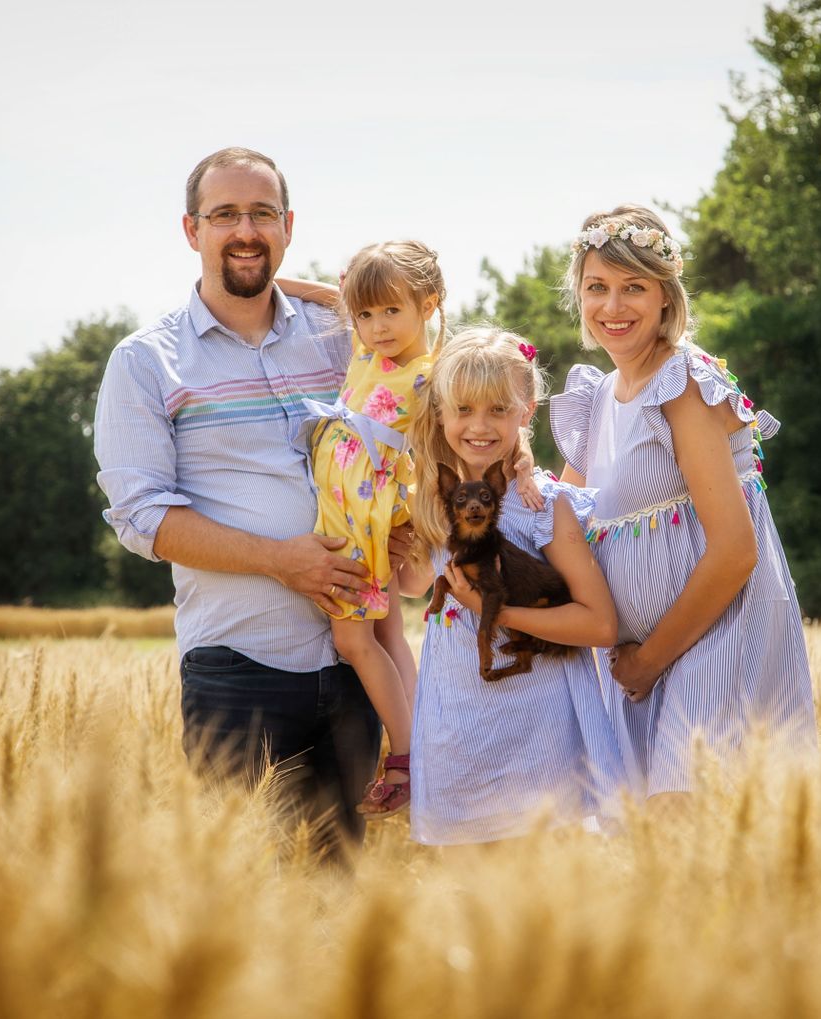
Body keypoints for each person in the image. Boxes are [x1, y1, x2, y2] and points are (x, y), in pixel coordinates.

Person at [94, 147, 398, 851]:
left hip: (358, 662)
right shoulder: (146, 361)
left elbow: (424, 343)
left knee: (344, 890)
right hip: (238, 668)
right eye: (224, 215)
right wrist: (280, 560)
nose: (245, 231)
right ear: (190, 229)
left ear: (289, 226)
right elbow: (143, 517)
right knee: (244, 892)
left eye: (262, 214)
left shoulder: (339, 338)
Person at [548, 205, 817, 811]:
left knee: (683, 815)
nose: (612, 306)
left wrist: (649, 661)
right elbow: (557, 527)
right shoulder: (596, 399)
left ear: (666, 296)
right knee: (644, 839)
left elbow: (735, 551)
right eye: (597, 287)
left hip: (716, 633)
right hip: (634, 658)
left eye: (633, 287)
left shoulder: (683, 385)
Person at [396, 327, 625, 845]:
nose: (479, 426)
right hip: (456, 730)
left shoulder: (542, 506)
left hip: (537, 734)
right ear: (440, 414)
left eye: (498, 410)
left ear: (526, 411)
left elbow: (599, 624)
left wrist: (493, 610)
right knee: (468, 890)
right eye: (464, 410)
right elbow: (412, 584)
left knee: (543, 887)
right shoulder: (435, 504)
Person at [298, 240, 445, 820]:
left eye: (391, 311)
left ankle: (405, 757)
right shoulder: (368, 350)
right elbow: (333, 297)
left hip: (363, 517)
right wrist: (276, 286)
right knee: (385, 635)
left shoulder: (429, 376)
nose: (378, 325)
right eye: (365, 314)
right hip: (344, 508)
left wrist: (419, 522)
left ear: (428, 305)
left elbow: (445, 451)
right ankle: (418, 745)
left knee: (353, 642)